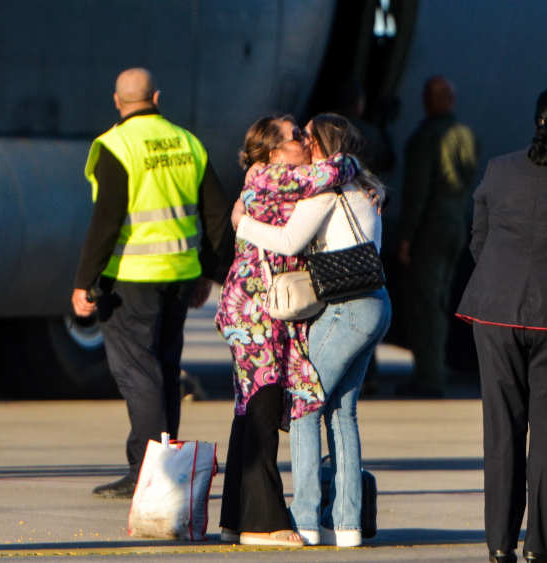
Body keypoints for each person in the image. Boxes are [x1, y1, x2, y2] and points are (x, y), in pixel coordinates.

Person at [70, 68, 233, 499]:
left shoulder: (116, 146)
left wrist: (84, 280)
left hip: (132, 278)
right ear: (156, 98)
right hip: (180, 276)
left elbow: (106, 221)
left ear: (117, 101)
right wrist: (209, 271)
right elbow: (218, 214)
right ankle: (166, 467)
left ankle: (148, 473)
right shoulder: (187, 143)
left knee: (139, 374)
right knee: (163, 370)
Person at [233, 113, 391, 547]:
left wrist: (243, 223)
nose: (302, 141)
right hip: (376, 303)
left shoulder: (324, 192)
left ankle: (305, 517)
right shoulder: (364, 187)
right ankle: (347, 523)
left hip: (343, 309)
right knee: (342, 412)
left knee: (304, 407)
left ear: (320, 146)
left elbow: (289, 242)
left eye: (307, 135)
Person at [456, 84, 547, 563]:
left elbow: (478, 239)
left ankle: (499, 544)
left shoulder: (500, 169)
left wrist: (504, 284)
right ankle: (539, 546)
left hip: (495, 313)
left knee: (501, 432)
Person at [396, 75, 477, 397]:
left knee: (425, 305)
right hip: (456, 224)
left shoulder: (426, 138)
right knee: (440, 300)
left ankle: (429, 377)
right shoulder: (466, 135)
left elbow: (417, 192)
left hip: (429, 228)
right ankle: (434, 370)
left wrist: (406, 236)